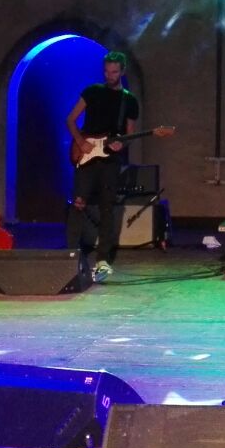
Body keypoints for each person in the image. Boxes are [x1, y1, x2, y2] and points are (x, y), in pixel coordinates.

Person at [66, 51, 140, 283]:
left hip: (110, 160)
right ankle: (70, 254)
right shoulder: (92, 91)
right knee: (78, 203)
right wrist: (81, 142)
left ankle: (102, 259)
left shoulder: (129, 101)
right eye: (106, 71)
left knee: (107, 208)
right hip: (87, 155)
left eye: (114, 72)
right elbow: (70, 119)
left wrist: (122, 144)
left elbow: (129, 134)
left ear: (122, 72)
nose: (109, 76)